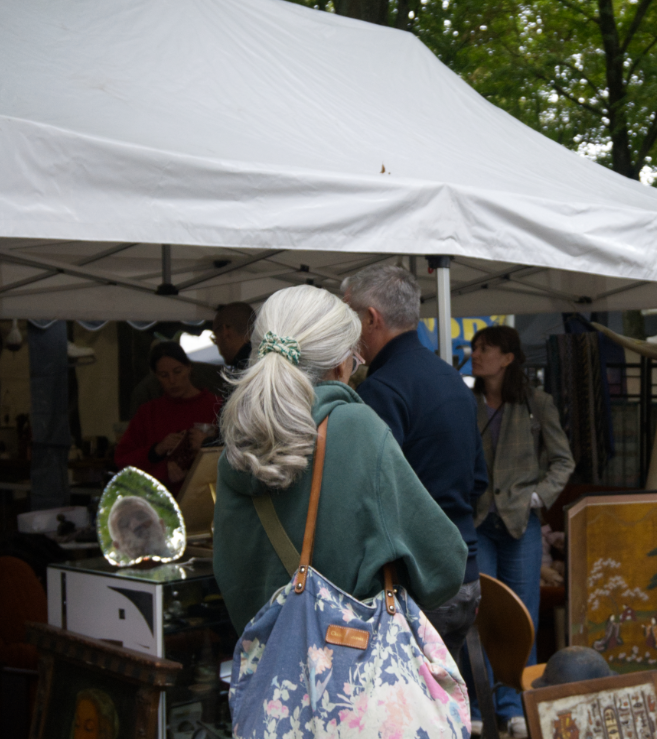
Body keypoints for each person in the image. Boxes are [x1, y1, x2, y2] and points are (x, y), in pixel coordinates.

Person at [213, 285, 466, 632]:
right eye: (354, 359)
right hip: (347, 670)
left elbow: (231, 573)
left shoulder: (235, 446)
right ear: (338, 363)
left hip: (265, 669)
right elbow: (444, 565)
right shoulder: (355, 428)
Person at [340, 269, 489, 688]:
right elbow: (478, 480)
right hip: (463, 574)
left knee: (408, 715)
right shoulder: (452, 380)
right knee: (440, 712)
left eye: (348, 315)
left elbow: (367, 496)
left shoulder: (382, 388)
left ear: (371, 318)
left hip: (414, 582)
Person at [470, 326, 574, 731]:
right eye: (475, 347)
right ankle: (478, 707)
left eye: (485, 348)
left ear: (508, 357)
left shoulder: (536, 403)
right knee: (477, 612)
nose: (476, 354)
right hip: (478, 520)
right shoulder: (466, 402)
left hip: (521, 524)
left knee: (521, 615)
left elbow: (563, 461)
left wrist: (537, 497)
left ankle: (513, 707)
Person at [115, 342, 222, 495]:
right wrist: (156, 451)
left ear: (189, 368)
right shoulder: (148, 413)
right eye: (164, 375)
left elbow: (237, 457)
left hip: (210, 500)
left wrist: (207, 445)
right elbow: (122, 460)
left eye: (177, 372)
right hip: (160, 504)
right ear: (156, 376)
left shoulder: (216, 407)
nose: (172, 380)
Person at [212, 302, 256, 371]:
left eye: (215, 338)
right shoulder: (270, 357)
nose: (217, 344)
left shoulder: (242, 369)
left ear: (225, 331)